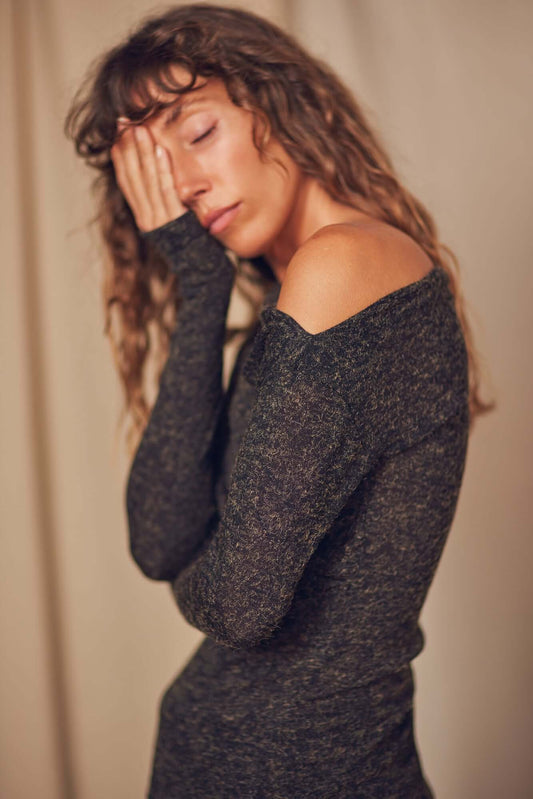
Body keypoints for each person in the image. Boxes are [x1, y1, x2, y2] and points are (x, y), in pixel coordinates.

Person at [65, 4, 493, 796]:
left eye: (198, 134)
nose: (188, 184)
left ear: (279, 100)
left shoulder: (343, 267)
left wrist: (210, 563)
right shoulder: (295, 297)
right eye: (163, 169)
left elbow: (237, 604)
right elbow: (159, 537)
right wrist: (201, 283)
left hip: (309, 772)